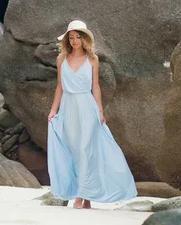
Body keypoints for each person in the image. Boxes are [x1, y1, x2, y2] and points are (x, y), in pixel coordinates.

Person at [47, 20, 136, 209]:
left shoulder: (92, 59)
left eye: (78, 37)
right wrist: (54, 110)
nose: (74, 41)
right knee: (74, 150)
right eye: (71, 37)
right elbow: (60, 87)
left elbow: (96, 87)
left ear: (84, 38)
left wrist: (100, 111)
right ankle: (87, 198)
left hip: (87, 107)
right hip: (69, 107)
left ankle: (80, 195)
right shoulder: (61, 59)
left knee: (85, 149)